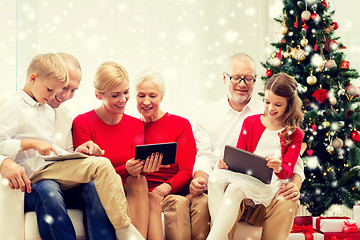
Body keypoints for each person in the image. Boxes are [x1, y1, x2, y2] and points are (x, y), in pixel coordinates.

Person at [0, 53, 144, 240]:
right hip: (32, 175)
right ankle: (124, 229)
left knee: (95, 181)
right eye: (54, 89)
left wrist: (76, 154)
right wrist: (24, 148)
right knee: (95, 168)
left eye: (72, 90)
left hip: (49, 167)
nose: (60, 96)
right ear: (34, 78)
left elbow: (51, 149)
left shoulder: (47, 110)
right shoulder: (11, 106)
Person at [190, 53, 306, 240]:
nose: (242, 83)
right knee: (216, 181)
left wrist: (294, 181)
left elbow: (293, 161)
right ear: (225, 78)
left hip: (264, 185)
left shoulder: (272, 116)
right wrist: (216, 168)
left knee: (284, 201)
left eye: (249, 78)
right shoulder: (210, 114)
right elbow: (208, 155)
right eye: (236, 77)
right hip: (233, 181)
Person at [22, 52, 116, 240]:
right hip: (32, 183)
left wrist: (77, 153)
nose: (66, 95)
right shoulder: (15, 106)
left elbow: (61, 157)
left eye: (73, 90)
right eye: (64, 87)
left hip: (59, 182)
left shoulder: (64, 115)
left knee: (94, 185)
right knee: (48, 187)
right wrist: (4, 162)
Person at [72, 61, 157, 238]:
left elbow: (136, 167)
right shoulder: (82, 123)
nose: (123, 99)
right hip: (95, 187)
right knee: (98, 184)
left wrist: (144, 167)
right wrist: (124, 169)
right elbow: (87, 174)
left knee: (139, 180)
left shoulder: (136, 125)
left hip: (127, 185)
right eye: (115, 95)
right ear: (98, 95)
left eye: (126, 92)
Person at [134, 69, 196, 240]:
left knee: (178, 203)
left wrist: (165, 188)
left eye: (152, 96)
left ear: (162, 97)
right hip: (139, 192)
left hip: (169, 191)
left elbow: (186, 171)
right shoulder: (130, 126)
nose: (146, 102)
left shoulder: (180, 125)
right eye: (141, 96)